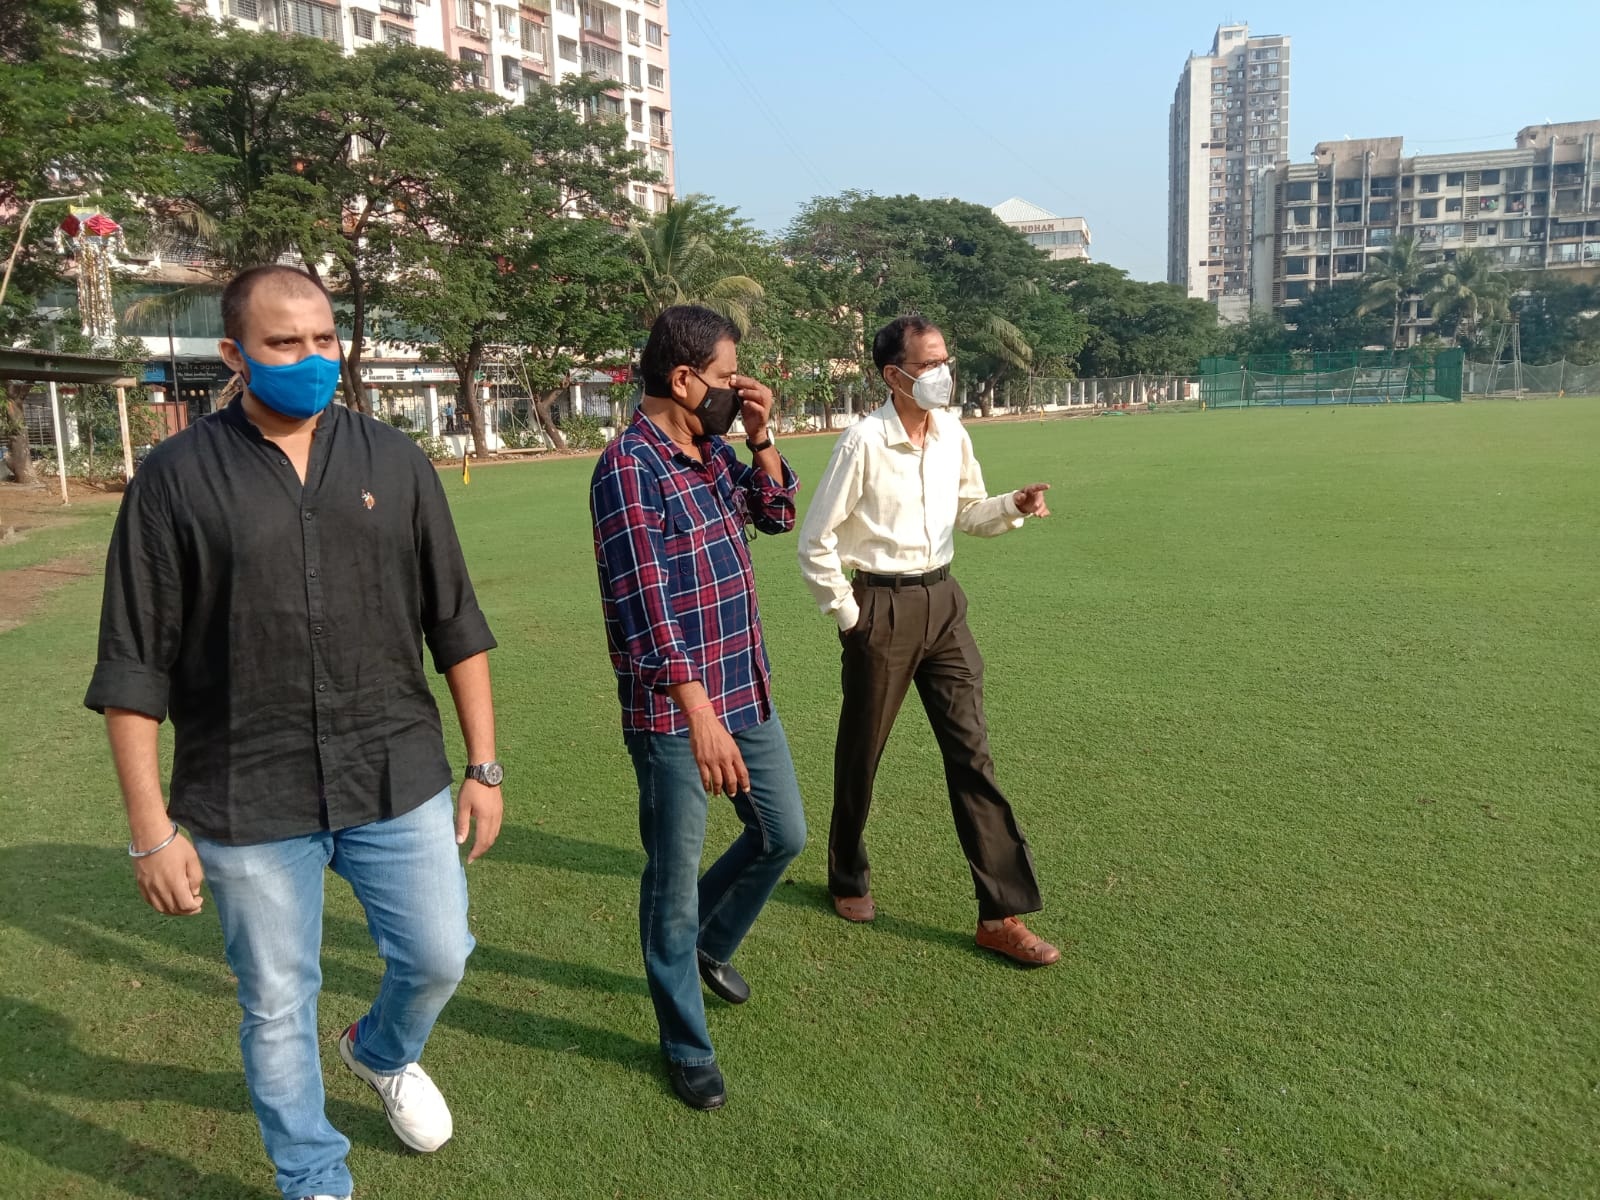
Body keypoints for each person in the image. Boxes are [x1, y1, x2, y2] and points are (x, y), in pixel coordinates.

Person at [85, 264, 503, 1200]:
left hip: (394, 769)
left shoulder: (394, 460)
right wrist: (151, 831)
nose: (312, 359)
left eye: (324, 339)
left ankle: (380, 1049)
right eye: (284, 343)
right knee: (277, 1004)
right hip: (248, 789)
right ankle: (313, 1176)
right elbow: (133, 664)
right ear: (234, 354)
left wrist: (484, 764)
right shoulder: (174, 478)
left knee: (440, 954)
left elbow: (456, 622)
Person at [590, 305, 806, 1111]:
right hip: (678, 712)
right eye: (724, 379)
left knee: (782, 833)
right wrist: (699, 717)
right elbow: (645, 604)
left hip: (743, 684)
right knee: (672, 885)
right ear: (681, 379)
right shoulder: (627, 468)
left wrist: (758, 435)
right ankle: (685, 1042)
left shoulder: (711, 452)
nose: (733, 390)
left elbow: (776, 514)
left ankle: (709, 948)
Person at [797, 314, 1061, 967]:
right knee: (862, 753)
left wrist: (1013, 507)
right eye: (931, 363)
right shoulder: (864, 441)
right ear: (895, 375)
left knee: (972, 755)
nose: (945, 374)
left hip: (944, 605)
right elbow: (815, 542)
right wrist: (849, 614)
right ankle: (847, 874)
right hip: (880, 604)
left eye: (947, 360)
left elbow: (969, 512)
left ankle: (999, 914)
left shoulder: (952, 435)